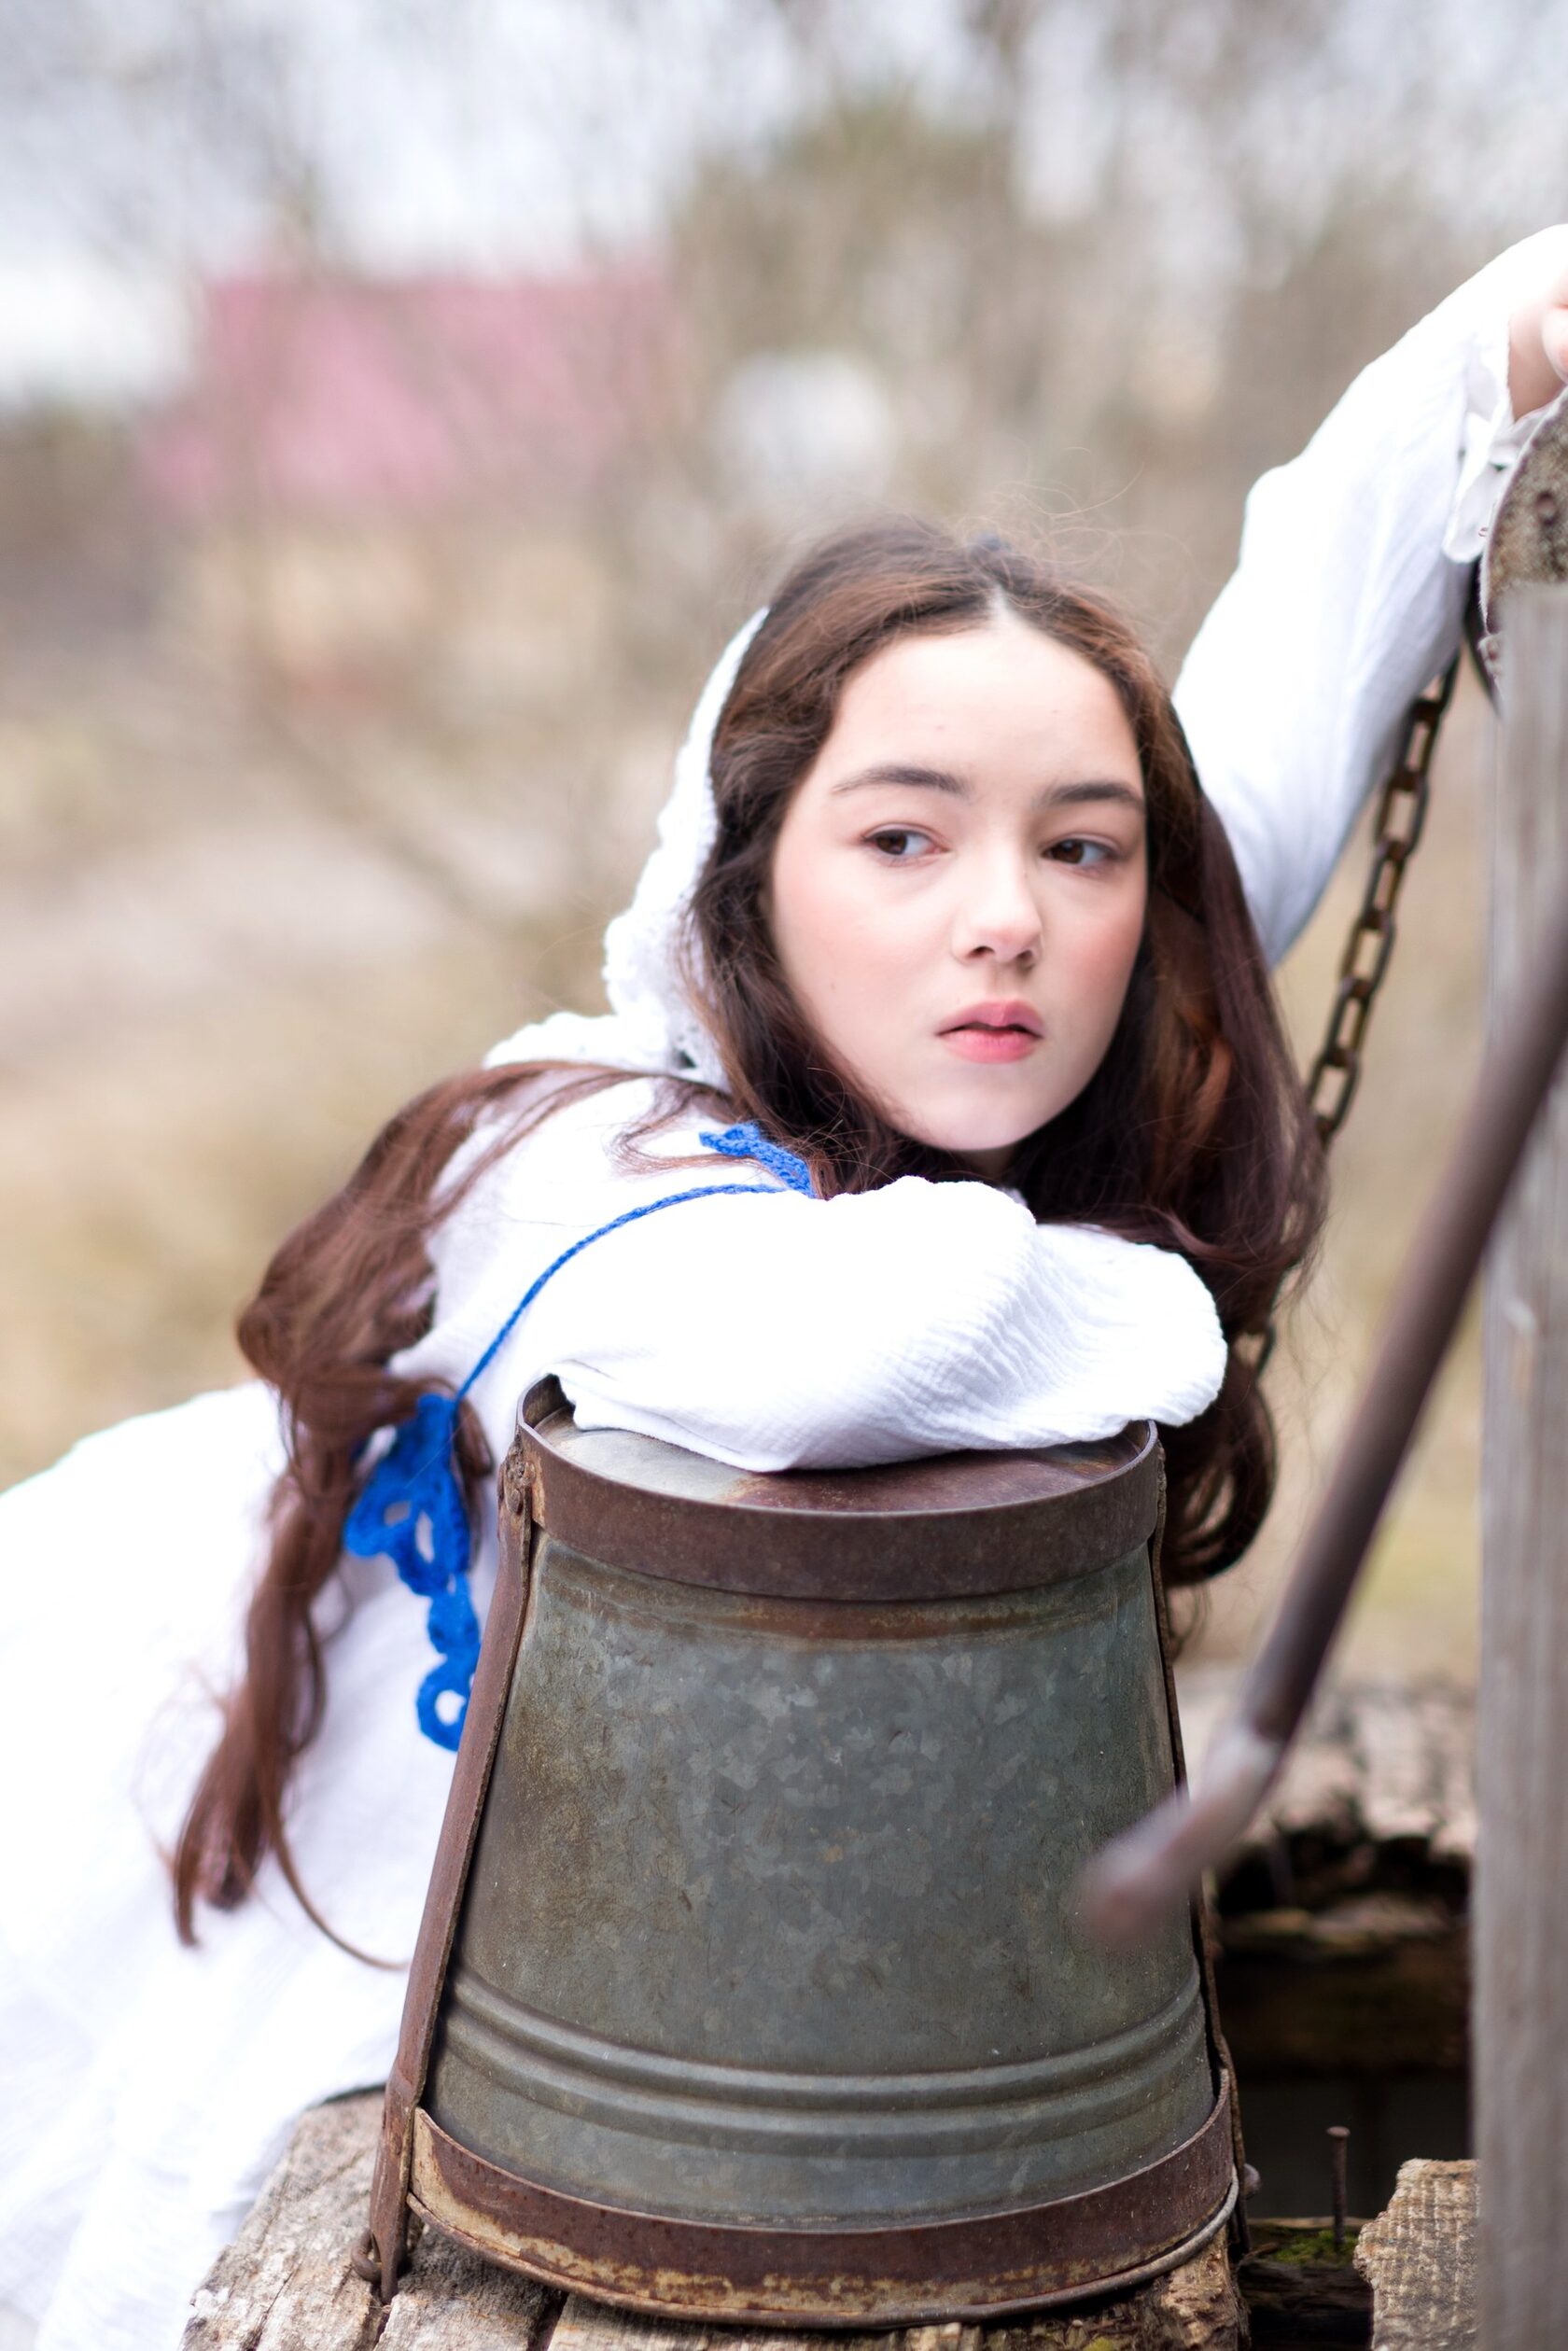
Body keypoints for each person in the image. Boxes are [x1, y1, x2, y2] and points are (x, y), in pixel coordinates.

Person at [3, 227, 1565, 2351]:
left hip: (652, 1933)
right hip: (187, 1834)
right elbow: (862, 1351)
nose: (1009, 917)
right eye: (902, 840)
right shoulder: (575, 1156)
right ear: (743, 882)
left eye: (1084, 847)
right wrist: (1152, 1300)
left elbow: (1326, 584)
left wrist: (1519, 331)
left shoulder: (1054, 1007)